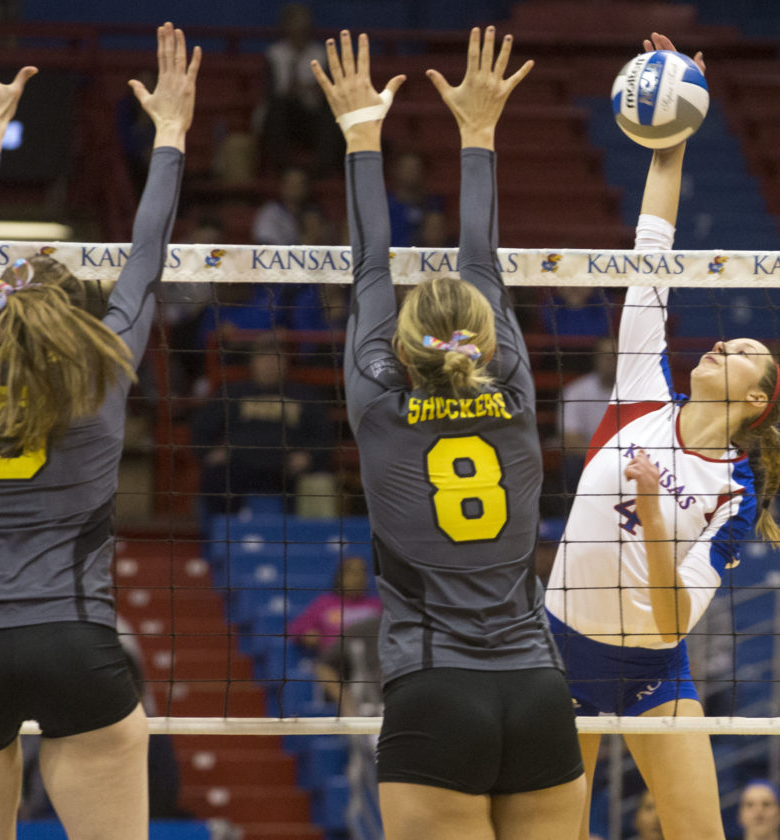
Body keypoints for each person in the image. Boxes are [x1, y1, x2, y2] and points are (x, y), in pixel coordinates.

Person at [0, 23, 198, 840]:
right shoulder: (103, 368)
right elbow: (147, 254)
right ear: (76, 315)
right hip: (74, 645)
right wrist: (172, 133)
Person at [312, 25, 585, 839]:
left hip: (434, 693)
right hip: (538, 690)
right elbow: (482, 258)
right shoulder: (510, 384)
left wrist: (361, 135)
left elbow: (369, 268)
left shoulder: (375, 399)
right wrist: (478, 129)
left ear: (397, 345)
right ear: (489, 337)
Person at [544, 34, 780, 840]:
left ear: (755, 401)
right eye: (727, 341)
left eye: (744, 352)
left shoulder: (733, 490)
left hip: (654, 672)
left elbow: (670, 620)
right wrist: (669, 136)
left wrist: (655, 523)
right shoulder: (638, 391)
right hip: (561, 654)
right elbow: (652, 254)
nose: (723, 344)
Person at [191, 332, 331, 516]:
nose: (270, 364)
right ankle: (225, 538)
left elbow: (324, 435)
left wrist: (310, 457)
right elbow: (202, 427)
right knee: (215, 477)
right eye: (264, 358)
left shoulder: (304, 395)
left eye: (276, 358)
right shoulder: (233, 393)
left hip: (285, 468)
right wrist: (209, 451)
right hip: (239, 465)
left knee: (317, 485)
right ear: (253, 362)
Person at [258, 2, 343, 174]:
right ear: (286, 25)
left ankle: (322, 172)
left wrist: (308, 89)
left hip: (313, 115)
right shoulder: (274, 54)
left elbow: (328, 90)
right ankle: (282, 170)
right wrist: (297, 89)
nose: (300, 27)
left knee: (332, 114)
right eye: (295, 22)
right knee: (277, 108)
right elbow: (272, 92)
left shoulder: (320, 54)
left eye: (304, 22)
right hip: (285, 116)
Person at [554, 335, 618, 513]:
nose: (611, 361)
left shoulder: (637, 392)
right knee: (572, 464)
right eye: (606, 356)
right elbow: (570, 439)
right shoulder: (577, 391)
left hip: (628, 458)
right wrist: (603, 457)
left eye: (616, 356)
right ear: (596, 358)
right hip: (588, 458)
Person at [288, 555, 382, 655]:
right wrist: (307, 633)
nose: (358, 578)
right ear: (340, 576)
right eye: (352, 573)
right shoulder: (324, 604)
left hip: (369, 661)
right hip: (334, 662)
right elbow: (296, 628)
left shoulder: (377, 605)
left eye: (362, 573)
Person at [386, 151, 445, 248]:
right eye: (406, 168)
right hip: (390, 258)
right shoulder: (384, 204)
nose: (411, 173)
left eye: (415, 168)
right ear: (395, 170)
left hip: (422, 258)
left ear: (423, 171)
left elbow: (436, 238)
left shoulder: (432, 205)